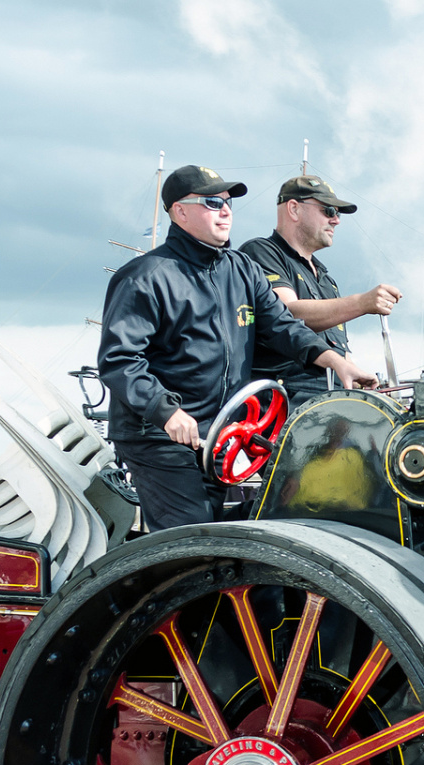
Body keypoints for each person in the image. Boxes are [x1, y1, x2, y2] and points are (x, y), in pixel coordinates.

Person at [98, 164, 377, 531]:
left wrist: (335, 361)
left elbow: (281, 326)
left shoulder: (241, 269)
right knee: (191, 542)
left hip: (220, 435)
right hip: (159, 436)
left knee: (251, 531)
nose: (226, 210)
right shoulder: (146, 276)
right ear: (180, 211)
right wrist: (166, 412)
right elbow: (119, 360)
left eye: (228, 202)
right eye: (213, 202)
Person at [239, 176, 401, 406]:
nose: (336, 220)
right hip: (282, 402)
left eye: (337, 213)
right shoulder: (261, 252)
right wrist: (362, 303)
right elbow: (285, 314)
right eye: (328, 210)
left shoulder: (327, 280)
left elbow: (340, 352)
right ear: (294, 209)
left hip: (328, 406)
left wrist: (361, 381)